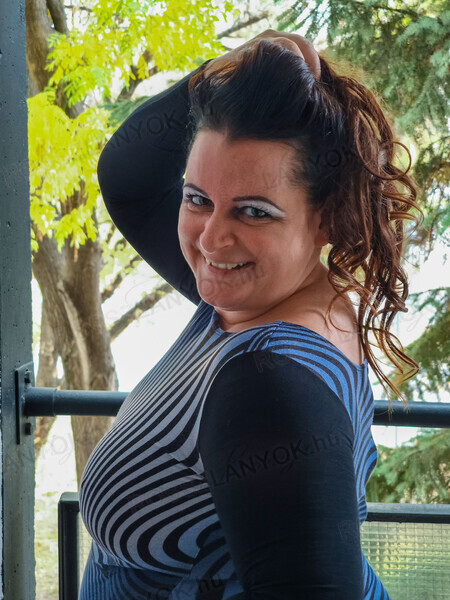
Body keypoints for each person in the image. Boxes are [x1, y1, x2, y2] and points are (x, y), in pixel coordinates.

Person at [78, 30, 420, 599]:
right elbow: (129, 177)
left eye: (254, 212)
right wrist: (228, 70)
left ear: (328, 218)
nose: (210, 239)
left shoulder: (268, 381)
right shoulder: (257, 296)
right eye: (196, 198)